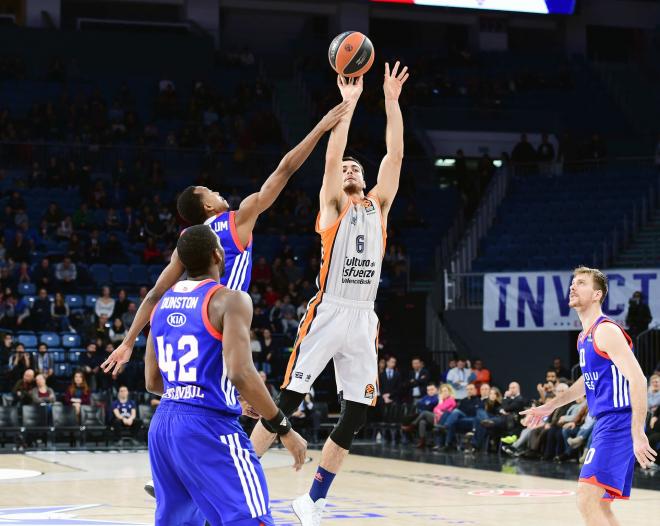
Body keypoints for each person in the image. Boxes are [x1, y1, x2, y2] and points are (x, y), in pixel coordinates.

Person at [250, 62, 409, 525]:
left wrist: (393, 103)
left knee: (357, 412)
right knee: (288, 402)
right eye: (344, 169)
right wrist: (353, 103)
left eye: (356, 167)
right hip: (329, 311)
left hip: (364, 316)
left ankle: (313, 500)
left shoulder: (378, 204)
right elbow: (331, 153)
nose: (350, 169)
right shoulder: (333, 205)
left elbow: (394, 156)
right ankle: (230, 474)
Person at [102, 101, 349, 378]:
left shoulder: (187, 239)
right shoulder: (236, 221)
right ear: (206, 206)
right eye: (208, 190)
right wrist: (321, 127)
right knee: (249, 403)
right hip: (223, 320)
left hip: (193, 321)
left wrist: (127, 342)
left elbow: (155, 294)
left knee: (176, 391)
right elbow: (285, 169)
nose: (215, 190)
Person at [144, 225, 306, 525]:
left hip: (163, 429)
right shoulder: (230, 299)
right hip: (209, 427)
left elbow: (153, 382)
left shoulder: (161, 304)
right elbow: (240, 371)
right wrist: (283, 428)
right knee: (251, 519)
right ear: (218, 255)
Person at [522, 267, 656, 526]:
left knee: (587, 498)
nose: (572, 287)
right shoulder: (585, 336)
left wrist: (637, 432)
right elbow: (585, 382)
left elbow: (638, 379)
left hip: (618, 422)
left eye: (581, 283)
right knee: (600, 505)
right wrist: (548, 407)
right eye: (572, 283)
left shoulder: (606, 330)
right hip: (605, 422)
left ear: (597, 294)